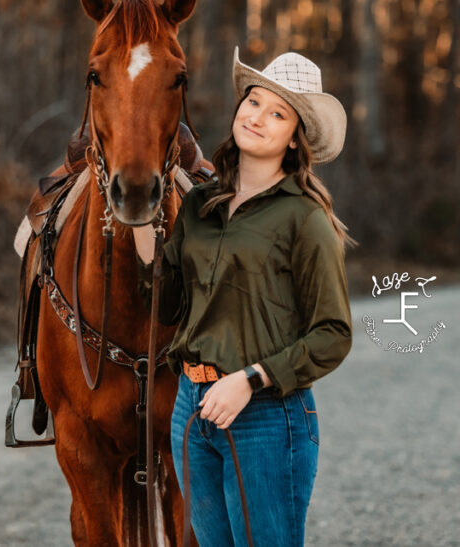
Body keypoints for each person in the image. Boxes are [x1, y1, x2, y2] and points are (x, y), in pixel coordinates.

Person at [133, 46, 355, 547]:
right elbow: (166, 307)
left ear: (296, 141)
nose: (257, 117)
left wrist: (250, 380)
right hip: (192, 408)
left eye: (277, 113)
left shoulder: (305, 219)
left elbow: (333, 335)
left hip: (265, 417)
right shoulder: (199, 205)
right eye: (253, 102)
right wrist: (144, 233)